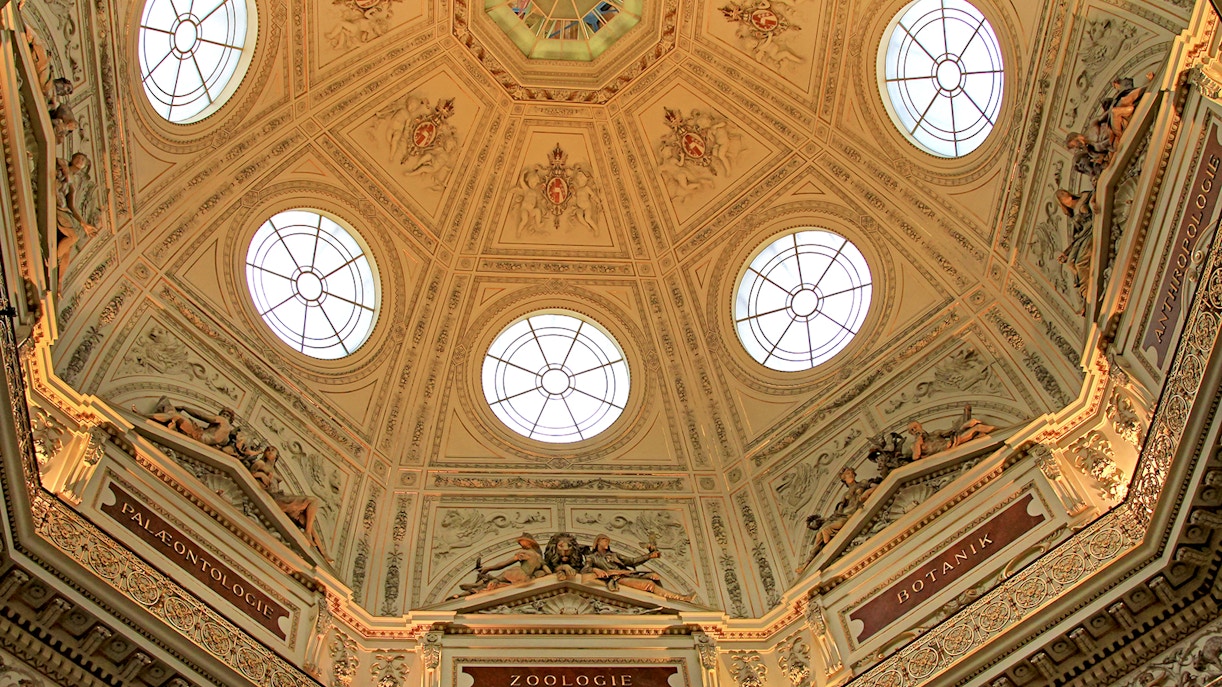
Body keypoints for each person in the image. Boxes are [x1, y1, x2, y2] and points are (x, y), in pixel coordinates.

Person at [582, 534, 694, 602]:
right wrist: (595, 569)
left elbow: (633, 561)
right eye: (605, 540)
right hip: (617, 579)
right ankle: (681, 598)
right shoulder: (592, 557)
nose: (607, 542)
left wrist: (649, 556)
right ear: (598, 542)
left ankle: (663, 600)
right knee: (649, 584)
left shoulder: (614, 555)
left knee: (654, 576)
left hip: (628, 574)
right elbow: (584, 570)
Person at [458, 533, 548, 595]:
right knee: (498, 580)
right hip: (527, 578)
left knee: (498, 578)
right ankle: (479, 585)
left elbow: (504, 563)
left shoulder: (523, 553)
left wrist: (489, 568)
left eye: (521, 543)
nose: (521, 545)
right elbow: (546, 569)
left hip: (518, 573)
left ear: (528, 542)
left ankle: (478, 585)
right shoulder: (539, 556)